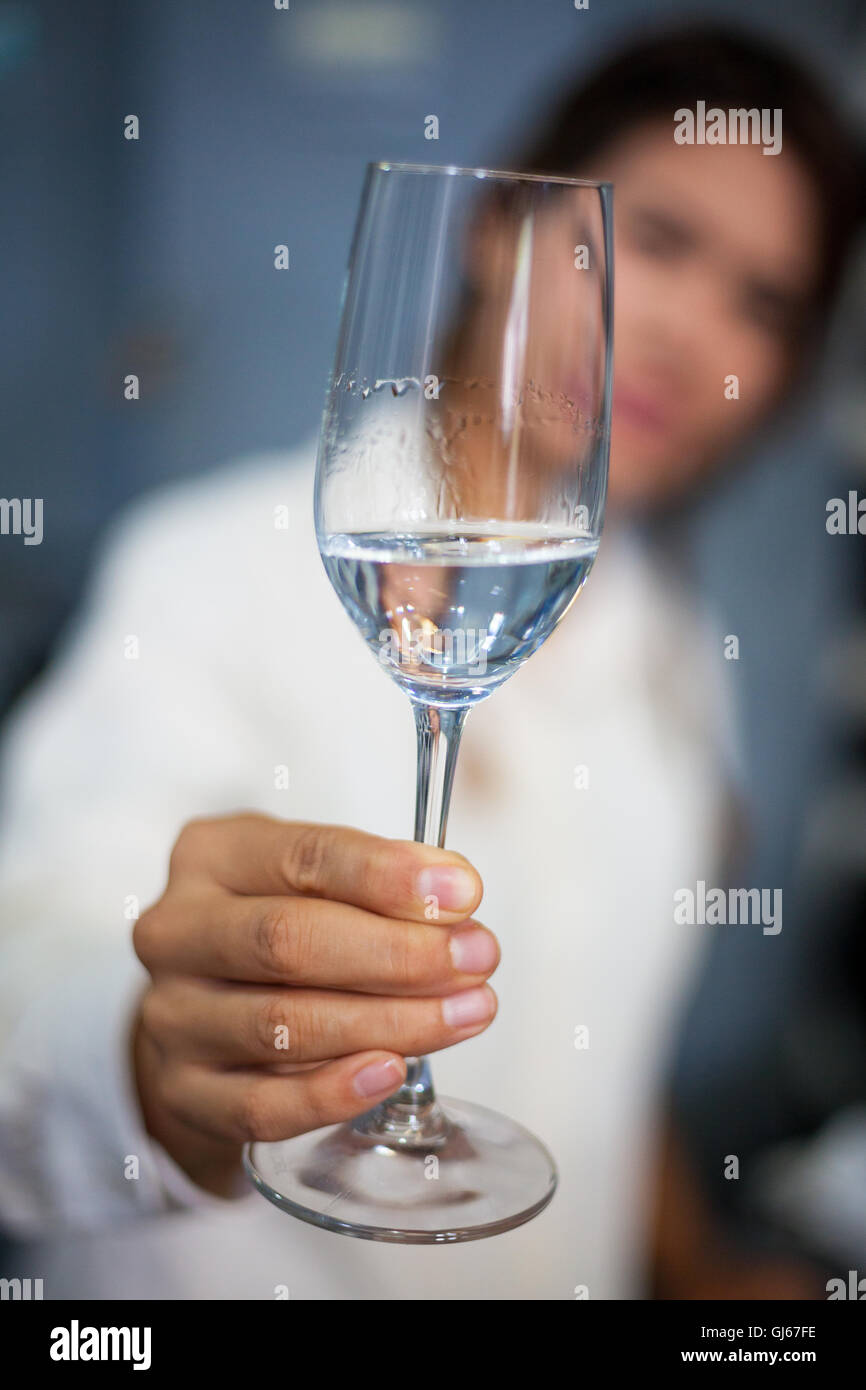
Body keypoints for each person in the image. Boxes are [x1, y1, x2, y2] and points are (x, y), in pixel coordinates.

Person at [0, 22, 861, 1299]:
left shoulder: (673, 644)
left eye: (762, 302)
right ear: (493, 228)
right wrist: (151, 1061)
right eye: (657, 241)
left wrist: (698, 1268)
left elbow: (594, 1058)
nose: (682, 327)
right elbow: (32, 971)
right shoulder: (200, 570)